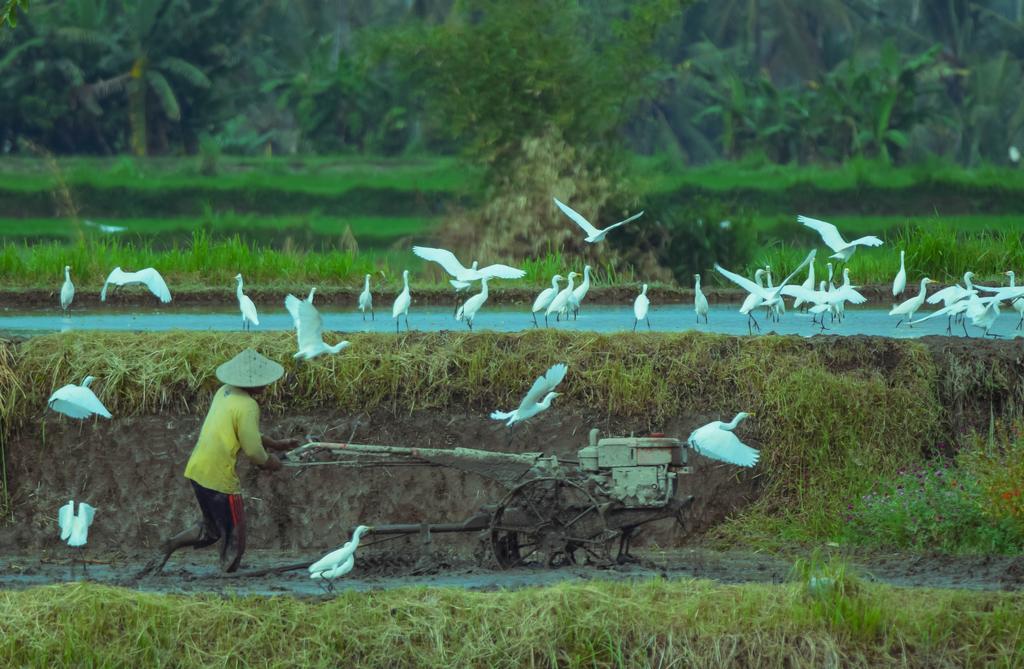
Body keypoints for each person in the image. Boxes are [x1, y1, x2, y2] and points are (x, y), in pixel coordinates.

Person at [141, 348, 299, 575]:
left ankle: (171, 544)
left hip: (198, 469)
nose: (267, 385)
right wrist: (273, 463)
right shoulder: (248, 406)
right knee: (236, 534)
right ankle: (227, 574)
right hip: (220, 477)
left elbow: (244, 434)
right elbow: (254, 452)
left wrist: (276, 444)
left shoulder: (225, 392)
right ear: (250, 383)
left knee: (212, 531)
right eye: (263, 381)